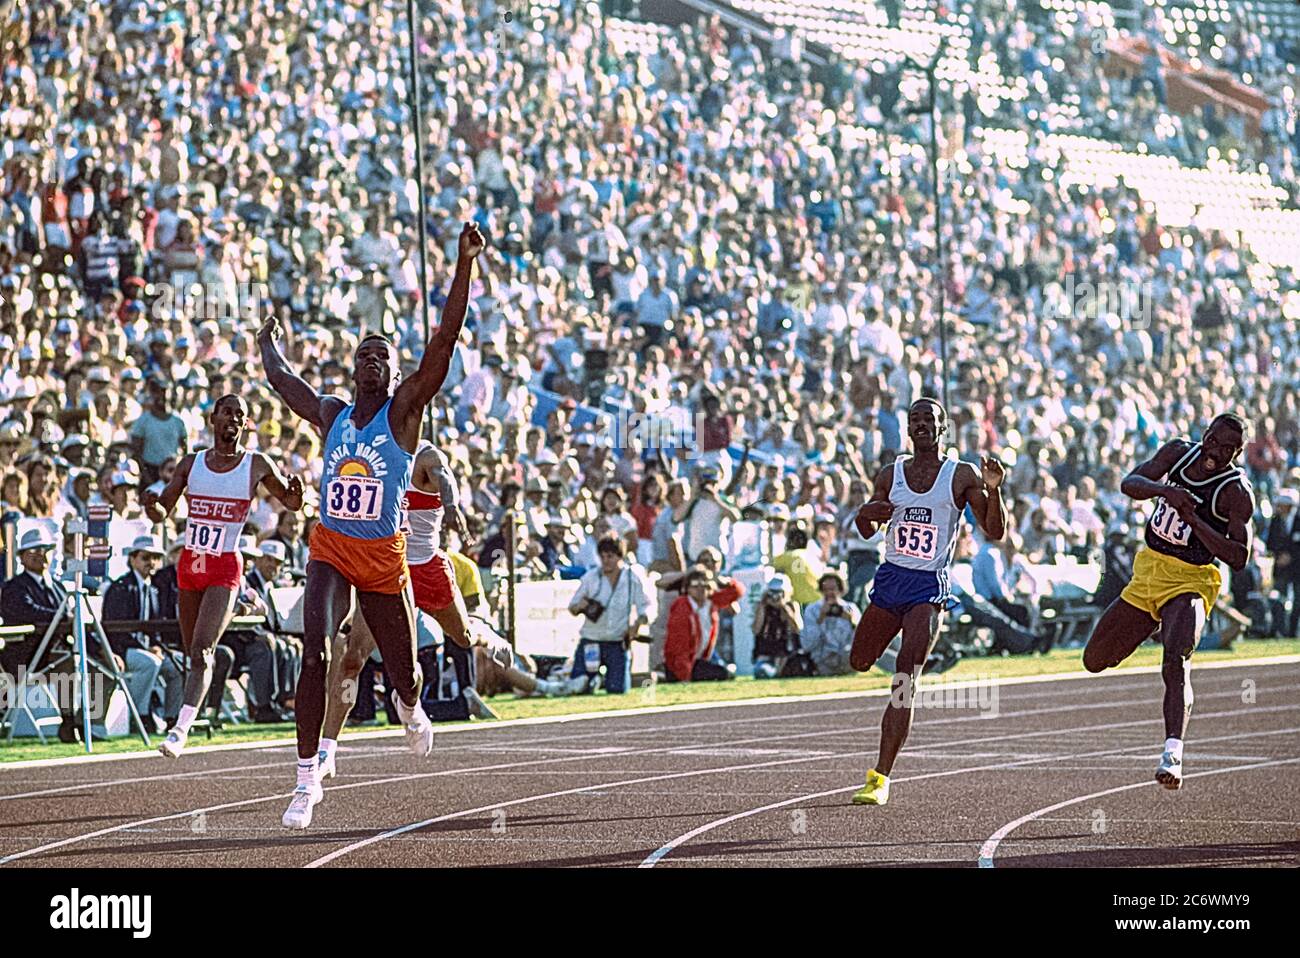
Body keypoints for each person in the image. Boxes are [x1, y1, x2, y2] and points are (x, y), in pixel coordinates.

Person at [259, 221, 484, 829]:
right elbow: (284, 385)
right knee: (316, 652)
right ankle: (307, 780)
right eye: (364, 354)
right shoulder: (332, 415)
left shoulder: (405, 414)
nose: (372, 362)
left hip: (386, 557)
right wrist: (265, 345)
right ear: (353, 367)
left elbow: (444, 342)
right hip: (331, 548)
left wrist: (463, 265)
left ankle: (410, 706)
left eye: (382, 356)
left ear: (391, 373)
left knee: (403, 671)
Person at [848, 398, 1006, 806]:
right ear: (908, 428)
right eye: (914, 420)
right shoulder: (891, 473)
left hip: (927, 586)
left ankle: (880, 776)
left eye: (928, 420)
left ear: (942, 428)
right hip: (890, 581)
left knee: (906, 678)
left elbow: (994, 531)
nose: (921, 425)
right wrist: (868, 511)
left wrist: (994, 490)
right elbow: (866, 529)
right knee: (860, 661)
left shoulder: (961, 475)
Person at [1082, 414, 1254, 789]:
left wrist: (1194, 520)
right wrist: (1166, 493)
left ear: (1238, 453)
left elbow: (1240, 557)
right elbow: (1131, 482)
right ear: (1205, 435)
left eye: (1230, 449)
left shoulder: (1235, 491)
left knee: (1176, 659)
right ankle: (1154, 621)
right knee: (1094, 660)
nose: (1219, 453)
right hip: (1148, 572)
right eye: (1216, 442)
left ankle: (1172, 753)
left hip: (1191, 579)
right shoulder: (1177, 452)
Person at [141, 395, 303, 757]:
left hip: (224, 567)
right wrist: (150, 506)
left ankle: (180, 730)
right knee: (192, 654)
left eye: (240, 415)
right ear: (213, 418)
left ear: (245, 425)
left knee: (202, 648)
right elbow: (161, 512)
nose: (233, 418)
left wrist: (297, 495)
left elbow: (290, 503)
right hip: (190, 565)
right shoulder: (191, 464)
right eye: (227, 412)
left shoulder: (255, 464)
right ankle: (191, 713)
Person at [102, 535, 184, 734]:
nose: (152, 563)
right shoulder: (120, 587)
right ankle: (139, 716)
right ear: (132, 559)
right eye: (146, 557)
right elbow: (116, 630)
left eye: (156, 558)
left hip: (146, 648)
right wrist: (145, 647)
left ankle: (172, 717)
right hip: (122, 650)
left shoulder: (155, 589)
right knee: (150, 663)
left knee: (181, 663)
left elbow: (155, 626)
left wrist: (156, 646)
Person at [566, 534, 652, 695]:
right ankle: (593, 682)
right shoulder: (591, 577)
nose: (606, 560)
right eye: (603, 556)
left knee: (617, 690)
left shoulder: (632, 577)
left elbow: (646, 605)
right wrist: (581, 606)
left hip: (617, 641)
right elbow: (572, 607)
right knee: (579, 688)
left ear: (620, 557)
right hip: (591, 640)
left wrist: (637, 625)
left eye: (610, 556)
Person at [663, 567, 738, 682]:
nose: (700, 588)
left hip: (698, 660)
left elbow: (736, 593)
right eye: (695, 584)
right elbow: (679, 647)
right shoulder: (682, 607)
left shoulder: (710, 603)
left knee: (725, 673)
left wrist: (724, 581)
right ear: (687, 588)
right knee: (720, 673)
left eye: (704, 584)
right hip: (679, 665)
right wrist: (684, 676)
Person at [800, 571, 862, 676]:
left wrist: (852, 623)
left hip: (846, 657)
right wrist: (820, 620)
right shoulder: (812, 609)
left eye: (833, 589)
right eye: (825, 590)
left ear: (840, 589)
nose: (829, 593)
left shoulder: (851, 609)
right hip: (822, 659)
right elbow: (807, 645)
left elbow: (862, 643)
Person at [751, 574, 803, 677]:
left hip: (787, 653)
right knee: (762, 671)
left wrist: (784, 608)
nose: (776, 596)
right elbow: (756, 630)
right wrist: (762, 606)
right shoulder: (763, 607)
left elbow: (797, 628)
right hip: (767, 652)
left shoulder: (792, 606)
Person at [1264, 488, 1300, 637]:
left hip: (1298, 568)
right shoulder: (1276, 520)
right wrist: (1279, 556)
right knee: (1278, 599)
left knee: (1298, 602)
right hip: (1281, 569)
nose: (1280, 507)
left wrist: (1291, 556)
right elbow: (1270, 543)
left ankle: (1292, 632)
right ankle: (1280, 631)